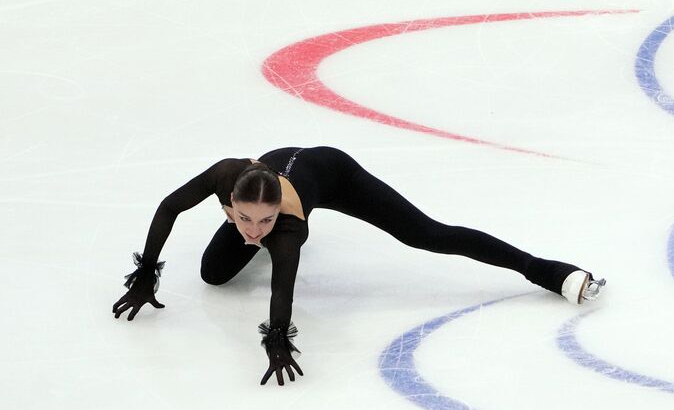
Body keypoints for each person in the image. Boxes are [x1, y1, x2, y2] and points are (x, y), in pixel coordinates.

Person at [111, 146, 605, 386]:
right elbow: (169, 207)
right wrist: (145, 272)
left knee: (426, 234)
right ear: (228, 205)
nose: (256, 231)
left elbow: (282, 287)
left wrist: (277, 339)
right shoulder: (226, 178)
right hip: (271, 171)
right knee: (213, 275)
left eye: (264, 222)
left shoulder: (287, 231)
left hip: (331, 171)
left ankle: (547, 271)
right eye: (245, 221)